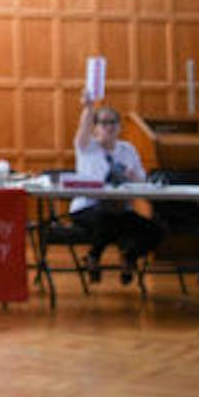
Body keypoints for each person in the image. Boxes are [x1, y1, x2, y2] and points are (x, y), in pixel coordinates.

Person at [68, 98, 163, 284]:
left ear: (119, 127)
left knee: (157, 229)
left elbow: (141, 180)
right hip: (87, 208)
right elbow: (83, 127)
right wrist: (88, 107)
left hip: (120, 209)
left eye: (113, 122)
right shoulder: (87, 147)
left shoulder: (127, 150)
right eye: (103, 122)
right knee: (107, 218)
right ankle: (94, 256)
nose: (108, 127)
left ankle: (129, 257)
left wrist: (131, 176)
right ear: (95, 127)